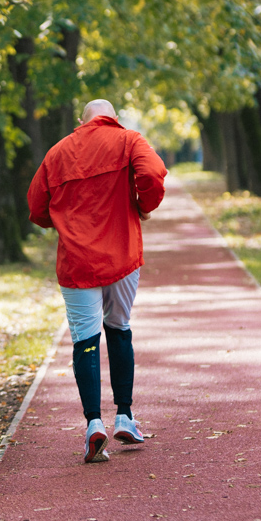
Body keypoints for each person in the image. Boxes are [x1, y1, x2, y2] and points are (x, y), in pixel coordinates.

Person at [26, 99, 168, 463]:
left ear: (80, 120)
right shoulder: (129, 140)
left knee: (85, 340)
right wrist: (144, 205)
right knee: (119, 327)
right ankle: (125, 415)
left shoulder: (57, 153)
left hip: (77, 263)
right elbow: (152, 174)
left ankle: (93, 423)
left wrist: (63, 222)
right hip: (122, 254)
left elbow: (36, 206)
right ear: (114, 118)